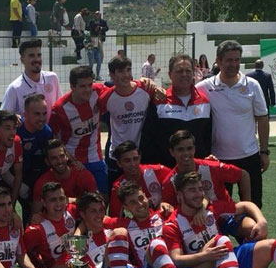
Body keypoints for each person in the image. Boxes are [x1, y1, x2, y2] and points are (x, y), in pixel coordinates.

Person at [196, 40, 269, 208]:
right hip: (218, 159)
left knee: (253, 205)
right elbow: (182, 93)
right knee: (220, 208)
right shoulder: (204, 87)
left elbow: (263, 118)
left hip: (249, 156)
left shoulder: (252, 85)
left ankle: (254, 235)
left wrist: (264, 151)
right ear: (219, 61)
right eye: (229, 60)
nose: (234, 64)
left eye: (237, 60)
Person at [142, 54, 212, 167]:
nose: (184, 74)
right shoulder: (159, 101)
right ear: (170, 75)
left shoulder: (204, 101)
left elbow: (208, 138)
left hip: (198, 173)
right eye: (179, 71)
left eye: (188, 70)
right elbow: (149, 140)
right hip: (167, 172)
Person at [100, 55, 161, 184]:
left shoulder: (145, 89)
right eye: (121, 71)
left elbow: (161, 96)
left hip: (139, 155)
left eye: (128, 70)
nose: (126, 75)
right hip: (117, 156)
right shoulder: (106, 98)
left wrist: (160, 90)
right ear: (112, 75)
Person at [49, 66, 108, 195]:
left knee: (103, 198)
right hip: (74, 162)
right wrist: (71, 160)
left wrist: (142, 83)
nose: (87, 90)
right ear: (72, 86)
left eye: (89, 85)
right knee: (77, 202)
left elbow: (119, 91)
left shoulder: (98, 91)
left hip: (96, 158)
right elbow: (55, 141)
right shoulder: (59, 109)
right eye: (82, 86)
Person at [161, 129, 250, 205]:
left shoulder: (211, 167)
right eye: (180, 149)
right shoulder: (170, 182)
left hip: (224, 218)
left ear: (194, 149)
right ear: (172, 152)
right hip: (194, 223)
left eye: (189, 148)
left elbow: (243, 175)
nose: (186, 153)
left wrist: (247, 206)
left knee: (253, 224)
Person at [31, 139, 97, 221]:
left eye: (61, 156)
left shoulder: (84, 175)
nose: (59, 161)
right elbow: (35, 215)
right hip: (54, 224)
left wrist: (72, 200)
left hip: (82, 221)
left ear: (67, 157)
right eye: (54, 158)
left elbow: (97, 204)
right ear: (47, 161)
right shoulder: (42, 183)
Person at [1, 38, 62, 121]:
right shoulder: (14, 88)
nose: (37, 59)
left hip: (52, 133)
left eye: (39, 55)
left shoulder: (52, 78)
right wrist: (15, 117)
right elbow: (3, 117)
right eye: (31, 56)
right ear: (22, 60)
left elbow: (60, 108)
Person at [16, 93, 54, 223]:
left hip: (37, 178)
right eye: (37, 114)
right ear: (25, 114)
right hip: (13, 177)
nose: (42, 118)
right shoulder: (15, 131)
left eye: (44, 113)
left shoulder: (46, 132)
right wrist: (17, 184)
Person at [108, 141, 171, 217]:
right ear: (119, 163)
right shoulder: (118, 187)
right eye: (127, 161)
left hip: (168, 220)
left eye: (135, 159)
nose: (132, 164)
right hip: (142, 225)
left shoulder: (159, 171)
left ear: (140, 158)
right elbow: (115, 217)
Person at [86, 11, 108, 80]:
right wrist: (94, 28)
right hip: (93, 40)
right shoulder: (92, 21)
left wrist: (101, 28)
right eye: (96, 14)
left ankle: (98, 74)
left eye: (98, 14)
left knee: (99, 56)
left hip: (100, 39)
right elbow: (88, 28)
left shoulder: (103, 22)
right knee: (91, 62)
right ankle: (91, 75)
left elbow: (107, 28)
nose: (97, 15)